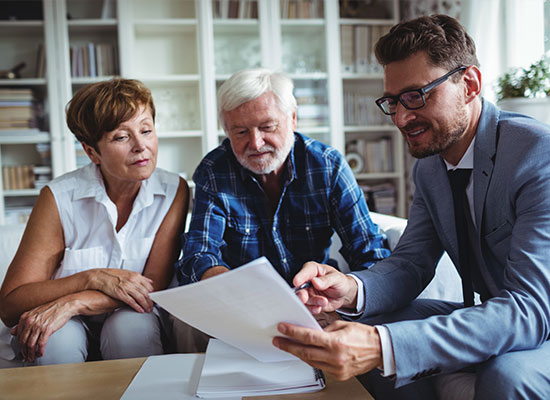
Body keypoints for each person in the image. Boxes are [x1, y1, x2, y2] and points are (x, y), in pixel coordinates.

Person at [272, 14, 550, 400]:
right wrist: (350, 289)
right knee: (369, 322)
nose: (401, 118)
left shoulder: (537, 154)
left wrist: (384, 346)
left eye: (417, 96)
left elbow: (529, 310)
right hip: (501, 313)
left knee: (508, 375)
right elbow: (411, 263)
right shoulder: (430, 169)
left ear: (469, 84)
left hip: (539, 318)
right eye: (392, 101)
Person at [172, 68, 389, 351]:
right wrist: (227, 284)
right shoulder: (214, 170)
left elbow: (370, 253)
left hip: (311, 302)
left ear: (293, 119)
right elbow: (199, 253)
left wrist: (342, 290)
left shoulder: (328, 166)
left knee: (352, 328)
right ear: (226, 131)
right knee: (186, 322)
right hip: (238, 305)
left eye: (267, 127)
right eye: (240, 131)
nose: (255, 143)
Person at [0, 78, 189, 365]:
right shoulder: (58, 197)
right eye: (121, 137)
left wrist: (73, 301)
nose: (141, 146)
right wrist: (92, 278)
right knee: (56, 340)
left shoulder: (174, 190)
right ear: (91, 152)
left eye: (146, 130)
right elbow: (11, 304)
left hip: (131, 314)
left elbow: (152, 288)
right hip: (66, 323)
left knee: (130, 327)